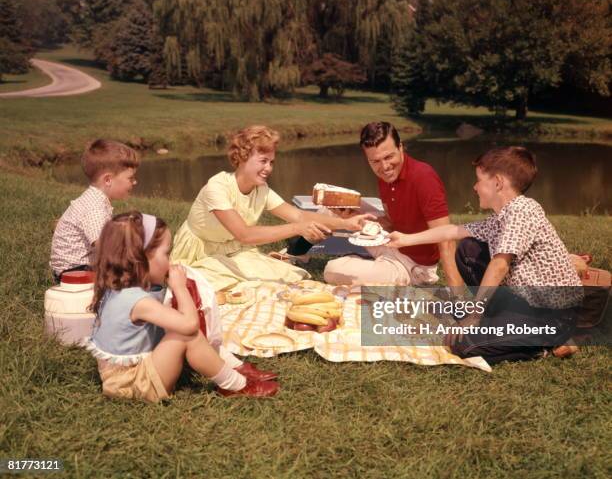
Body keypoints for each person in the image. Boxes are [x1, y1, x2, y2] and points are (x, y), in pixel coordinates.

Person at [386, 146, 582, 364]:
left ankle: (546, 344)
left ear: (497, 182)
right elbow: (452, 231)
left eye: (479, 180)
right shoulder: (501, 217)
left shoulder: (523, 211)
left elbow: (500, 265)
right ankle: (498, 318)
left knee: (463, 344)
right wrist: (405, 239)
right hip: (523, 303)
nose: (475, 187)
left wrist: (475, 315)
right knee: (468, 250)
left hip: (551, 316)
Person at [84, 211, 279, 402]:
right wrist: (179, 288)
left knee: (184, 325)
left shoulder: (125, 286)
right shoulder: (137, 301)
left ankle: (234, 367)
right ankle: (235, 385)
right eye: (166, 253)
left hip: (132, 375)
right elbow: (189, 325)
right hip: (133, 385)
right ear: (140, 258)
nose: (170, 261)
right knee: (186, 333)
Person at [171, 125, 373, 290]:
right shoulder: (217, 187)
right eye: (263, 161)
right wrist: (297, 229)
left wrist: (346, 223)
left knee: (286, 277)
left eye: (271, 162)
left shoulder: (262, 190)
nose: (268, 168)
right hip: (200, 252)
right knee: (218, 287)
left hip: (233, 250)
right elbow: (245, 235)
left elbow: (298, 214)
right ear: (242, 157)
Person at [323, 121, 463, 288]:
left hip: (412, 266)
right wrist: (352, 217)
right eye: (375, 161)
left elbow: (446, 239)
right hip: (391, 243)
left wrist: (458, 296)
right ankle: (297, 254)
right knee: (331, 202)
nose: (384, 167)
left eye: (389, 157)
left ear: (401, 147)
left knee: (331, 270)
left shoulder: (424, 177)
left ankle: (366, 265)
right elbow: (391, 223)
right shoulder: (386, 177)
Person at [50, 139, 140, 284]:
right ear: (108, 180)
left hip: (74, 269)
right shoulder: (95, 208)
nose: (135, 182)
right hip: (75, 273)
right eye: (131, 178)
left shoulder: (94, 198)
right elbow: (105, 247)